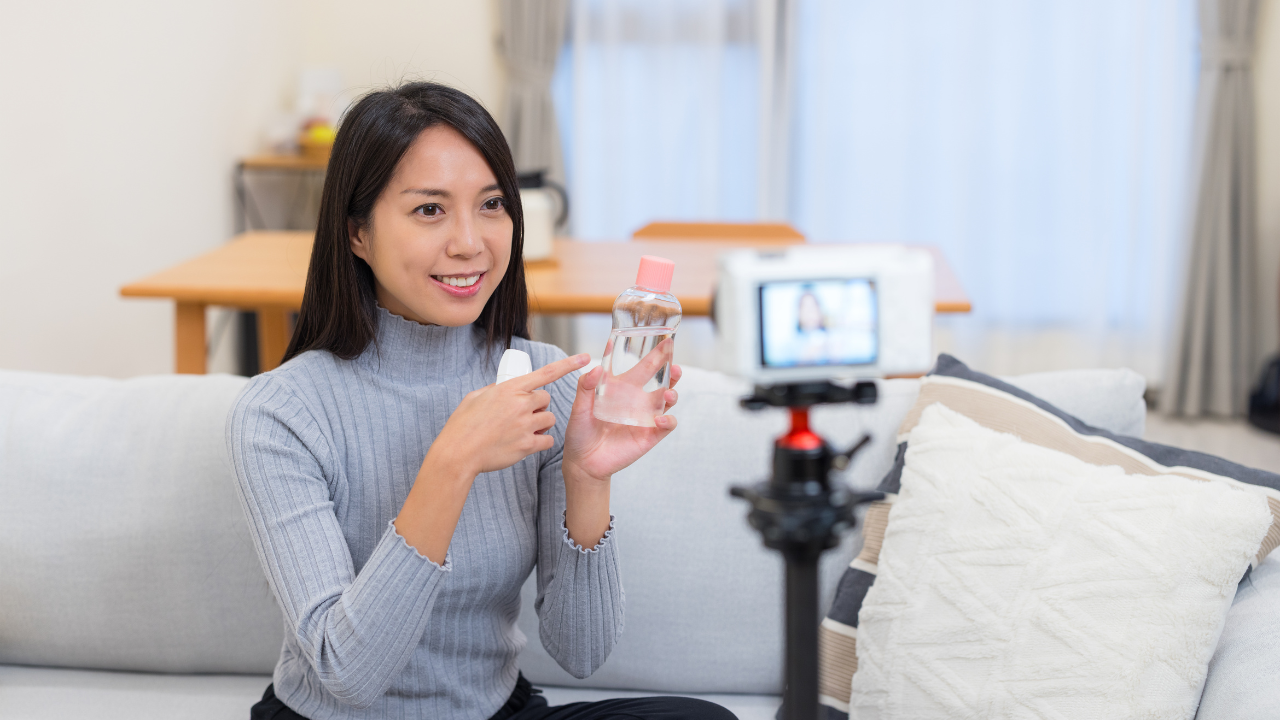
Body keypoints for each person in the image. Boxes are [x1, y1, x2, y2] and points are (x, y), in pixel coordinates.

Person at [228, 82, 736, 720]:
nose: (470, 242)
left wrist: (585, 479)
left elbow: (582, 651)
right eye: (430, 210)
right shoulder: (281, 412)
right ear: (357, 233)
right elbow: (347, 675)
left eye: (491, 204)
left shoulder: (545, 380)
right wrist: (452, 463)